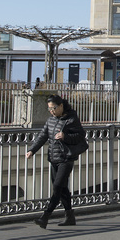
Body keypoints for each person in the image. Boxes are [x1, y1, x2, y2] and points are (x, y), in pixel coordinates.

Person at [26, 94, 86, 229]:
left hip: (66, 158)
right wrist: (32, 150)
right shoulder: (51, 120)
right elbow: (42, 136)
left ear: (61, 106)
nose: (52, 111)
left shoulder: (71, 119)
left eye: (53, 108)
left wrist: (65, 136)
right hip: (53, 158)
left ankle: (45, 217)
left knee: (57, 186)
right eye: (49, 109)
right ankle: (70, 216)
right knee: (62, 188)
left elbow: (80, 136)